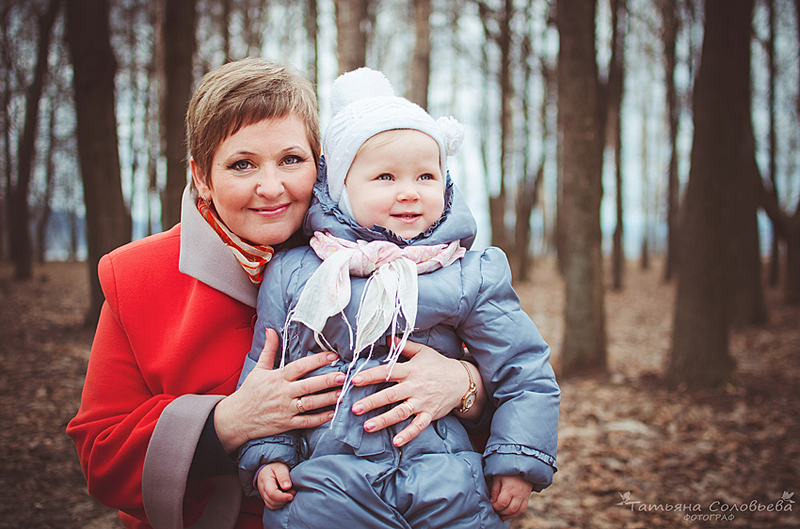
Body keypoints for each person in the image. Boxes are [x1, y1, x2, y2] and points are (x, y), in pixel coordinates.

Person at [66, 58, 489, 529]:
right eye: (242, 164)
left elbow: (513, 389)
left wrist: (464, 385)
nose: (272, 187)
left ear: (320, 163)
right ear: (202, 177)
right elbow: (101, 457)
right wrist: (228, 422)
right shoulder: (136, 276)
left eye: (291, 160)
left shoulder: (394, 255)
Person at [237, 67, 560, 529]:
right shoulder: (296, 272)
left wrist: (517, 459)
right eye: (385, 176)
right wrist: (268, 453)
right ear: (340, 189)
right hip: (328, 478)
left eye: (426, 176)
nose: (409, 192)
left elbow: (523, 369)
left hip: (444, 476)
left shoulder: (467, 272)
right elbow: (266, 371)